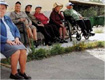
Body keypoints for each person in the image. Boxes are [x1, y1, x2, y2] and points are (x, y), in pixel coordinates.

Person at [0, 0, 31, 79]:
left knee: (23, 50)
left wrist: (17, 38)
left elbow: (16, 29)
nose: (1, 10)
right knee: (16, 51)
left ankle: (22, 72)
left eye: (3, 8)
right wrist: (6, 40)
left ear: (5, 9)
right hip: (2, 42)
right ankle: (13, 73)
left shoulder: (7, 18)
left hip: (13, 40)